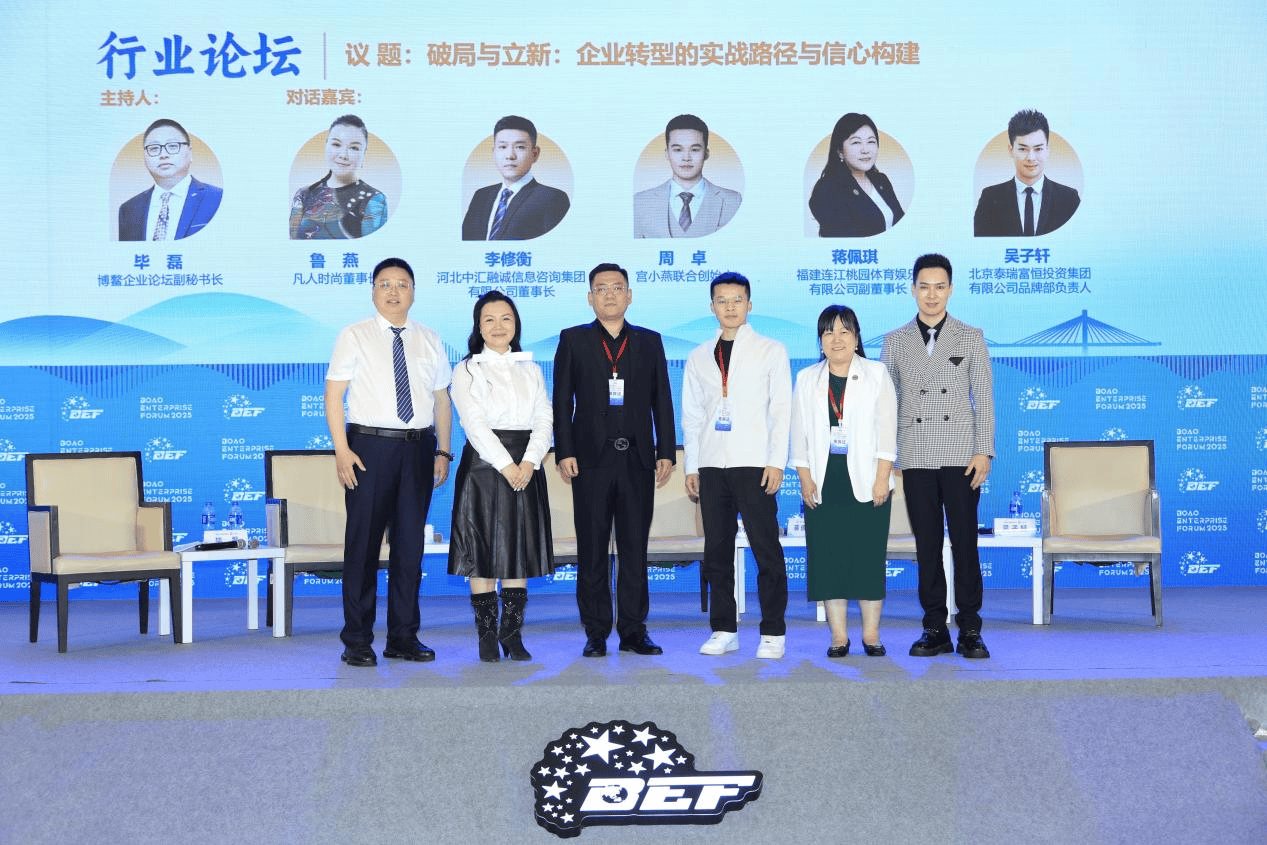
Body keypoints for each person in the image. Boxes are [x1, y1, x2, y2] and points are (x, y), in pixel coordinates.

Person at [324, 257, 454, 667]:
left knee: (409, 550)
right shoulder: (354, 335)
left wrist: (443, 451)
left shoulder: (429, 338)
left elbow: (442, 400)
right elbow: (333, 396)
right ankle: (357, 640)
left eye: (402, 284)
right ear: (373, 291)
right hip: (369, 448)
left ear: (413, 292)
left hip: (418, 449)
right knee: (362, 547)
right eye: (385, 284)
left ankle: (403, 637)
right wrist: (342, 450)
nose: (393, 291)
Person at [552, 263, 676, 657]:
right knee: (592, 551)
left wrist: (666, 451)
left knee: (634, 550)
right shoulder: (573, 339)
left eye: (617, 287)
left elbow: (662, 400)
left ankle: (634, 630)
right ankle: (595, 631)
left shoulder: (649, 341)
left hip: (637, 460)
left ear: (629, 295)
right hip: (590, 462)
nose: (610, 294)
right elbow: (561, 400)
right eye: (601, 288)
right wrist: (564, 450)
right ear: (590, 297)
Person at [880, 254, 995, 659]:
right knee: (927, 547)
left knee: (965, 544)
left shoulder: (970, 336)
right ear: (913, 290)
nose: (932, 295)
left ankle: (970, 628)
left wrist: (984, 450)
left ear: (951, 289)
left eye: (940, 286)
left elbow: (984, 398)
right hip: (915, 454)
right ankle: (934, 627)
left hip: (962, 454)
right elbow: (886, 403)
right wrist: (888, 454)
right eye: (924, 287)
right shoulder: (895, 340)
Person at [682, 272, 791, 659]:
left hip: (755, 463)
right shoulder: (698, 356)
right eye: (722, 300)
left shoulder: (770, 350)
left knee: (766, 549)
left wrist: (776, 462)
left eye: (737, 300)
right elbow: (692, 416)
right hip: (713, 465)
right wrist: (692, 466)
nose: (730, 307)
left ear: (749, 304)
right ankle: (724, 628)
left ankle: (773, 632)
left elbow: (781, 410)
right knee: (716, 552)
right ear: (712, 306)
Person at [448, 291, 554, 662]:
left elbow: (544, 418)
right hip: (484, 467)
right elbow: (473, 424)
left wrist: (530, 462)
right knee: (480, 552)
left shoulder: (531, 368)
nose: (498, 326)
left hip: (527, 465)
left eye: (506, 318)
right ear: (478, 327)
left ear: (516, 324)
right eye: (489, 319)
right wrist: (507, 466)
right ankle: (487, 635)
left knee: (518, 550)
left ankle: (512, 633)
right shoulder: (466, 369)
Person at [790, 305, 897, 657]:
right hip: (824, 481)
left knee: (868, 559)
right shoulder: (807, 378)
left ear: (856, 337)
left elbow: (887, 431)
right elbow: (799, 435)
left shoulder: (876, 373)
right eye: (828, 332)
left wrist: (882, 478)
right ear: (820, 340)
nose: (836, 339)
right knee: (828, 561)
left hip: (868, 480)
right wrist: (805, 479)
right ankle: (838, 637)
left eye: (844, 331)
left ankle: (871, 635)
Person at [973, 109, 1080, 237]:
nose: (1031, 158)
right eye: (1023, 149)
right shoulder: (990, 198)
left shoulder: (1069, 198)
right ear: (1011, 150)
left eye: (1038, 149)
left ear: (1047, 150)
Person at [461, 115, 570, 240]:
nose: (510, 156)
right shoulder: (481, 196)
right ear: (494, 152)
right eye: (502, 147)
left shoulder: (552, 198)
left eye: (520, 147)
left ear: (535, 154)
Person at [633, 114, 742, 238]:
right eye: (678, 150)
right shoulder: (640, 202)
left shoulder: (732, 201)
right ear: (667, 154)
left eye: (694, 150)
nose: (686, 158)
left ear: (706, 154)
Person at [118, 118, 222, 241]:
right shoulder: (129, 209)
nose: (163, 155)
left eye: (173, 146)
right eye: (154, 148)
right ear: (144, 156)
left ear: (190, 153)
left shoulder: (216, 198)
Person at [289, 114, 388, 240]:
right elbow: (292, 243)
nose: (343, 155)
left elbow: (372, 248)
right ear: (326, 146)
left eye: (354, 148)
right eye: (336, 144)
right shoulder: (304, 194)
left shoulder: (374, 199)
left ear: (364, 154)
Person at [809, 113, 905, 238]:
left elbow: (902, 224)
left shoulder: (881, 181)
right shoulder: (827, 188)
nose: (865, 150)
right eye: (856, 142)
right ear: (840, 151)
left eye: (871, 141)